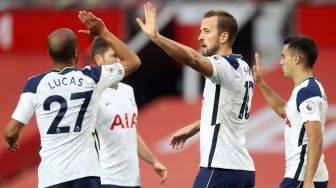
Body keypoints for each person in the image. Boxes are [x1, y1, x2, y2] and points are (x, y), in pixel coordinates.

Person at [3, 11, 141, 188]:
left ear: (49, 53)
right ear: (76, 53)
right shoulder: (92, 77)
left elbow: (10, 131)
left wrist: (12, 141)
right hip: (86, 172)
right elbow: (133, 61)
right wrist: (103, 32)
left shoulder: (35, 85)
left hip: (52, 176)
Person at [137, 2, 255, 188]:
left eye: (207, 31)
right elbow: (226, 113)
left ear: (224, 36)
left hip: (220, 168)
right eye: (201, 31)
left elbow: (193, 59)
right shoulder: (243, 67)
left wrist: (157, 38)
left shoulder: (223, 66)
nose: (200, 37)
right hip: (244, 170)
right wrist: (194, 127)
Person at [91, 36, 168, 188]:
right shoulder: (93, 95)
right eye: (114, 56)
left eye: (121, 56)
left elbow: (129, 132)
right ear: (98, 59)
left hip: (132, 180)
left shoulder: (127, 90)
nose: (119, 61)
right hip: (106, 180)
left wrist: (153, 161)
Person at [252, 35, 328, 188]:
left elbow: (315, 137)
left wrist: (308, 180)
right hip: (305, 175)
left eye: (283, 56)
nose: (280, 62)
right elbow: (284, 110)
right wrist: (261, 82)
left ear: (296, 59)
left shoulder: (307, 92)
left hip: (301, 175)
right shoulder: (305, 88)